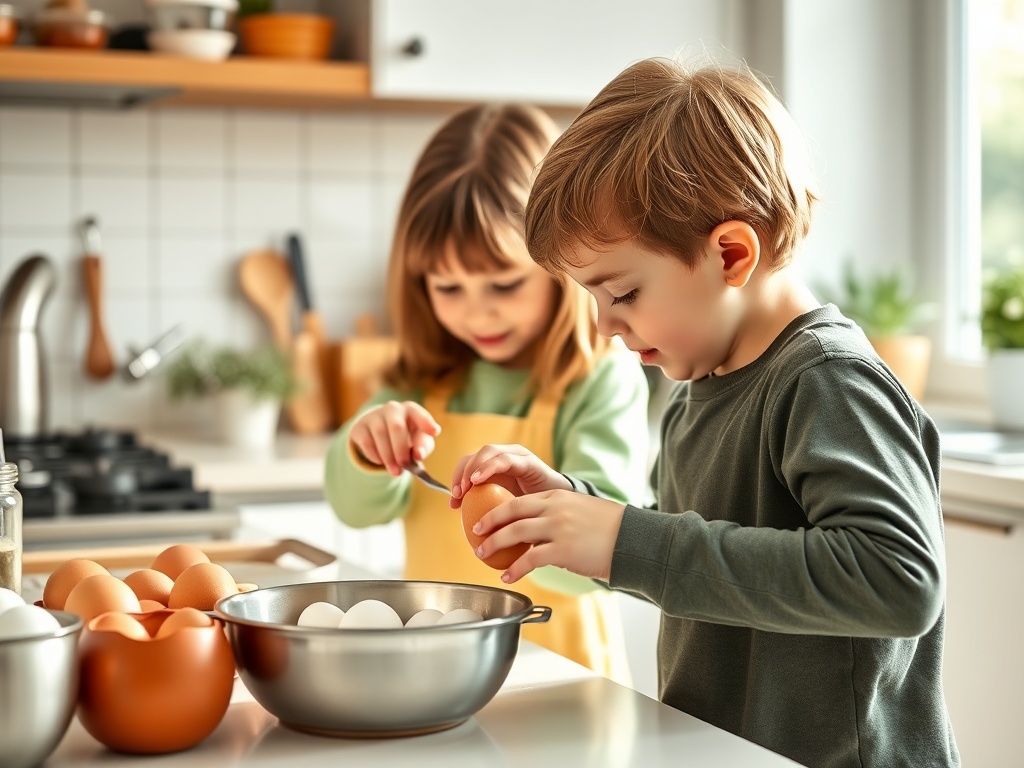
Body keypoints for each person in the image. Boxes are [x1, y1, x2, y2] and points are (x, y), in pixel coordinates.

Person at [450, 59, 960, 768]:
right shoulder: (698, 382)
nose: (604, 325)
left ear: (729, 253)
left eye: (621, 293)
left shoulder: (827, 380)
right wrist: (577, 510)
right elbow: (712, 538)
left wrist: (629, 540)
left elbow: (897, 579)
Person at [323, 103, 651, 681]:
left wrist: (528, 528)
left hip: (562, 682)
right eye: (449, 286)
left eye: (504, 283)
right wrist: (365, 449)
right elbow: (353, 506)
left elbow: (610, 548)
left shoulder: (599, 376)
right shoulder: (417, 380)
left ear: (562, 263)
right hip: (434, 667)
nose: (478, 311)